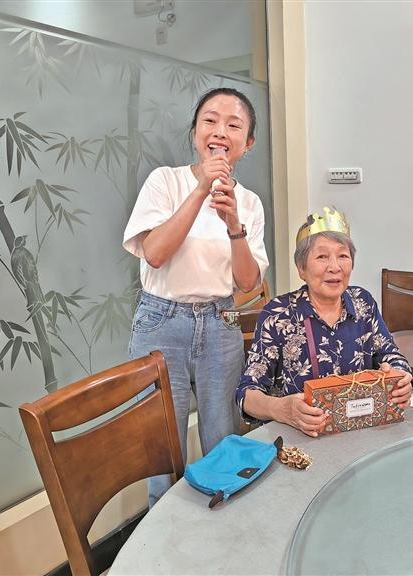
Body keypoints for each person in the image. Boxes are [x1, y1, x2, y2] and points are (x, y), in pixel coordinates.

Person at [123, 88, 268, 506]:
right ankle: (165, 538)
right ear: (195, 133)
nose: (220, 131)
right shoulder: (165, 181)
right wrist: (201, 188)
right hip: (161, 321)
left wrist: (235, 225)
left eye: (234, 125)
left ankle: (223, 530)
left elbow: (247, 283)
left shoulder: (249, 203)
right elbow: (154, 253)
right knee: (162, 450)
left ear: (248, 143)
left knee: (224, 440)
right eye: (210, 120)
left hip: (220, 321)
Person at [236, 207, 413, 436]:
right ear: (301, 268)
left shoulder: (363, 303)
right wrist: (281, 409)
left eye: (343, 256)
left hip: (360, 432)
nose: (335, 267)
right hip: (299, 436)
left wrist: (400, 377)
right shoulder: (278, 315)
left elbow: (391, 355)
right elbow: (246, 394)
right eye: (322, 257)